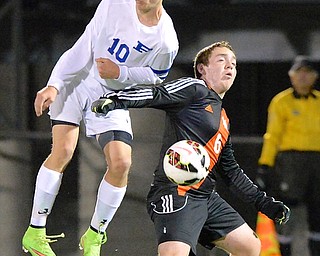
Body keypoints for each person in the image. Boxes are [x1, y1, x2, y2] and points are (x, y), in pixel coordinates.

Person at [91, 41, 290, 256]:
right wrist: (116, 100)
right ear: (202, 69)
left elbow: (231, 172)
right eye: (221, 60)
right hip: (176, 193)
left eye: (233, 63)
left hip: (206, 197)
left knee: (249, 246)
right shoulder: (195, 88)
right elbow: (157, 94)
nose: (230, 66)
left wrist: (265, 204)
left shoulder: (223, 119)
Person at [22, 0, 179, 255]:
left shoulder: (166, 40)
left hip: (110, 96)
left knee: (121, 164)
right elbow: (84, 46)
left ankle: (94, 235)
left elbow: (156, 76)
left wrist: (121, 72)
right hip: (77, 80)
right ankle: (35, 232)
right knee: (63, 151)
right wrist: (55, 84)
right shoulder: (114, 4)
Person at [255, 56, 320, 256]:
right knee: (287, 210)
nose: (302, 77)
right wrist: (264, 165)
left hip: (317, 161)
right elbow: (272, 135)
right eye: (298, 72)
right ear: (291, 76)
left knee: (317, 211)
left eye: (307, 72)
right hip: (291, 161)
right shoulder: (281, 101)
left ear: (314, 76)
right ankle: (284, 252)